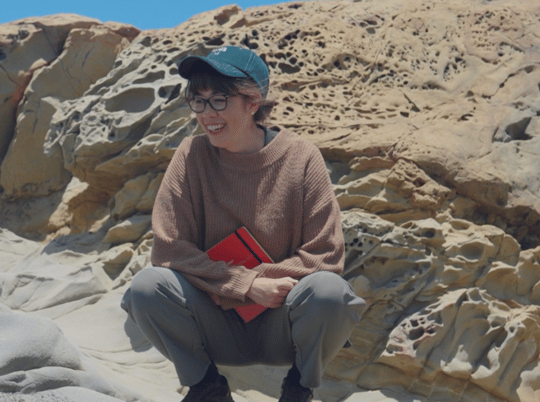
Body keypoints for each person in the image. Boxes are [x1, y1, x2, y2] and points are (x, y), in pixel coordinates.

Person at [121, 45, 367, 402]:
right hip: (212, 323)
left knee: (330, 291)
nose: (207, 113)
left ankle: (299, 388)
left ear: (253, 101)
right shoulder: (191, 155)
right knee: (147, 286)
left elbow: (324, 256)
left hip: (281, 326)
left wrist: (262, 287)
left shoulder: (301, 158)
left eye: (219, 99)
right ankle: (206, 387)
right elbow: (169, 248)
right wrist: (245, 285)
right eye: (198, 100)